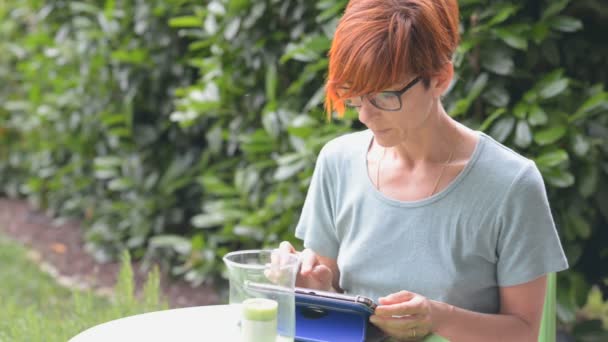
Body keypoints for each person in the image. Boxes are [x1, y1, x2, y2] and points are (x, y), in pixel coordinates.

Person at [279, 0, 569, 341]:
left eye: (385, 96)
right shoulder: (338, 162)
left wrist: (438, 318)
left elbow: (524, 332)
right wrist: (315, 286)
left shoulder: (511, 184)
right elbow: (329, 307)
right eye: (355, 95)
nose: (364, 116)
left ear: (440, 79)